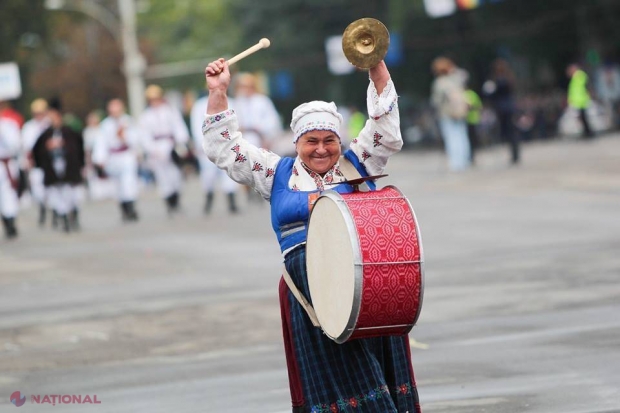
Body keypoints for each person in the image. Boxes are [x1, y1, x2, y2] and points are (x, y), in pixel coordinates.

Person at [203, 57, 422, 413]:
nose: (321, 149)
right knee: (335, 382)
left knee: (376, 377)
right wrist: (218, 92)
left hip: (363, 291)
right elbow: (225, 150)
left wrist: (375, 67)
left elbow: (385, 130)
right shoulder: (276, 173)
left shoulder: (358, 163)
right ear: (297, 141)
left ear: (340, 140)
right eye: (311, 141)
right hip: (309, 296)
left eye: (329, 140)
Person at [32, 98, 85, 233]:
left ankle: (72, 213)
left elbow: (77, 148)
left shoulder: (69, 132)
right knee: (57, 194)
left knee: (70, 193)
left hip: (68, 167)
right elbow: (37, 151)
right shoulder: (45, 135)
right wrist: (48, 147)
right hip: (53, 167)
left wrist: (63, 145)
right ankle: (64, 218)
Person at [230, 73, 282, 203]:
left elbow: (272, 120)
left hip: (259, 138)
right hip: (243, 138)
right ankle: (248, 190)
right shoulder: (237, 103)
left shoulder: (262, 101)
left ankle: (262, 189)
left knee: (261, 165)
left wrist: (263, 132)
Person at [138, 84, 190, 215]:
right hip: (156, 147)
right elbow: (144, 135)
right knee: (162, 177)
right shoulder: (145, 116)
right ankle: (169, 202)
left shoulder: (170, 111)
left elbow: (178, 127)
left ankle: (176, 198)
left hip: (170, 144)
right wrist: (151, 149)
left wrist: (181, 142)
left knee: (175, 174)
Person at [190, 90, 239, 214]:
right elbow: (196, 126)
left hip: (226, 142)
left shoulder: (231, 102)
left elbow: (236, 123)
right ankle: (209, 199)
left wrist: (231, 140)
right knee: (208, 174)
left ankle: (231, 201)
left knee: (229, 172)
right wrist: (202, 143)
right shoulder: (200, 105)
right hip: (208, 143)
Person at [92, 99, 140, 222]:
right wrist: (100, 159)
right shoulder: (106, 124)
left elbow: (136, 138)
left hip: (126, 154)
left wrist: (124, 137)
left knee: (129, 182)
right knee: (118, 185)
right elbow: (101, 143)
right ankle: (123, 208)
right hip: (113, 157)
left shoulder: (128, 121)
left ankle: (131, 207)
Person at [430, 56, 471, 171]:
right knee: (462, 136)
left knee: (451, 138)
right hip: (459, 112)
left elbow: (436, 101)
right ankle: (464, 160)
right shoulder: (456, 79)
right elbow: (464, 75)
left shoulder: (440, 82)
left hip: (446, 114)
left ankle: (455, 162)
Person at [483, 58, 520, 163]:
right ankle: (515, 154)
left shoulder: (497, 81)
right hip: (510, 107)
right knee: (512, 131)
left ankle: (514, 155)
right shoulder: (509, 78)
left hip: (502, 108)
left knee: (508, 132)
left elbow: (491, 94)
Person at [21, 98, 51, 226]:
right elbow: (25, 146)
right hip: (36, 162)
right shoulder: (29, 127)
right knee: (37, 189)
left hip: (50, 161)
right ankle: (42, 207)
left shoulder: (50, 124)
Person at [0, 116, 22, 239]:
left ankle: (10, 222)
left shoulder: (8, 125)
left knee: (8, 194)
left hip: (6, 164)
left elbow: (15, 145)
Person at [566, 63, 594, 139]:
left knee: (583, 118)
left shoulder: (580, 75)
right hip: (578, 101)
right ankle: (587, 132)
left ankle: (588, 132)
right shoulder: (575, 78)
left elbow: (586, 86)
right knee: (582, 118)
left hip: (582, 100)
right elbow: (573, 90)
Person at [464, 86, 483, 164]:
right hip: (474, 119)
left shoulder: (466, 94)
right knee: (471, 140)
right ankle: (471, 156)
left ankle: (470, 156)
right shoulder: (473, 94)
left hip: (468, 119)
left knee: (469, 139)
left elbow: (471, 106)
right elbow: (479, 106)